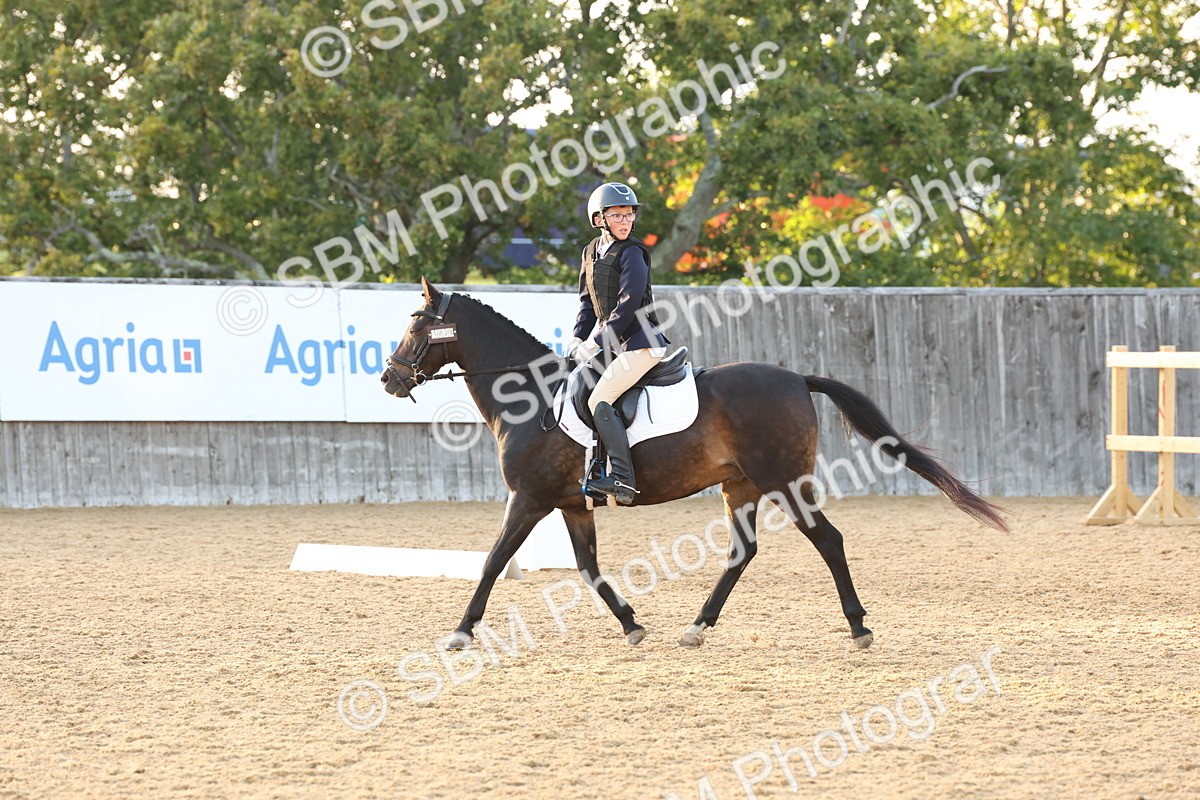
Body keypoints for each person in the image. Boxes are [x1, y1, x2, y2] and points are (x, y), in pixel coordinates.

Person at [566, 181, 670, 506]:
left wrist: (596, 342)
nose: (626, 221)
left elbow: (627, 305)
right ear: (599, 219)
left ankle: (623, 480)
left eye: (629, 215)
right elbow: (588, 302)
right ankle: (596, 468)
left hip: (640, 343)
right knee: (577, 389)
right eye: (617, 216)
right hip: (614, 346)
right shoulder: (590, 252)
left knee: (600, 399)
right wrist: (577, 336)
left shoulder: (633, 253)